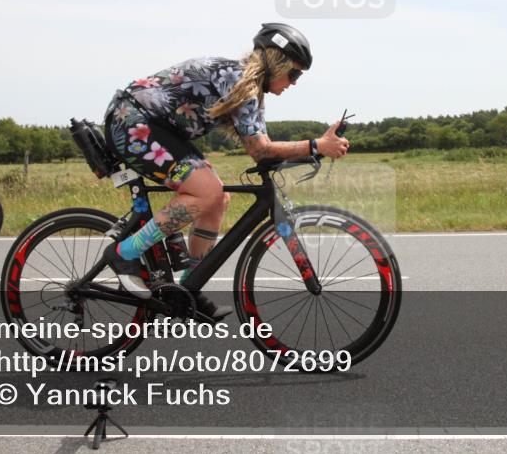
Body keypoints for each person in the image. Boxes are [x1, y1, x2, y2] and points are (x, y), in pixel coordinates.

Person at [101, 23, 349, 319]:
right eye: (294, 73)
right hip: (131, 121)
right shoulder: (238, 79)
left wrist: (311, 150)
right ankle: (125, 254)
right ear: (276, 62)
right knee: (206, 191)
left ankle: (189, 288)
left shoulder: (251, 90)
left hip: (159, 128)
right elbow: (260, 149)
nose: (294, 82)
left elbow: (263, 147)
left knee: (218, 199)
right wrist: (316, 145)